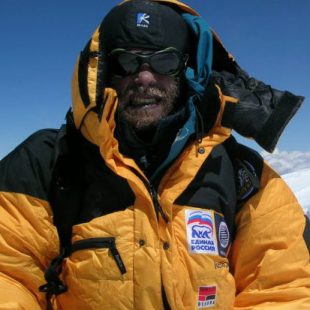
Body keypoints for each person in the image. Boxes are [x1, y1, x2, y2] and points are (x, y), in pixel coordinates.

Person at [0, 0, 309, 309]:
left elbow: (282, 288)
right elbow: (9, 276)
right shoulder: (46, 162)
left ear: (184, 72)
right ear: (105, 72)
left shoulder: (241, 173)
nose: (144, 78)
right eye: (127, 62)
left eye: (164, 62)